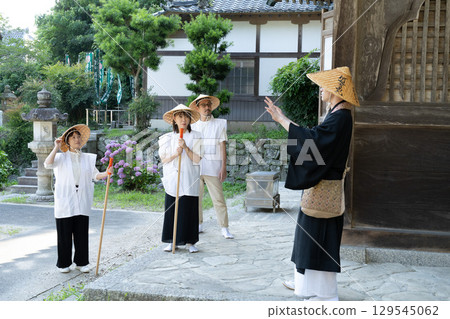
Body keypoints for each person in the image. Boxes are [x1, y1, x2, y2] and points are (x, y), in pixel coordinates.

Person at [264, 67, 359, 301]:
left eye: (323, 86)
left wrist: (282, 120)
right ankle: (305, 285)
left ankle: (324, 293)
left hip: (326, 189)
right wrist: (284, 120)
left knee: (319, 239)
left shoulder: (341, 117)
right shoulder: (338, 115)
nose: (320, 90)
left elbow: (314, 143)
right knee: (308, 237)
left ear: (336, 90)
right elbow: (314, 138)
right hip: (322, 186)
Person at [44, 124, 112, 273]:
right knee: (64, 234)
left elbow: (95, 175)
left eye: (78, 137)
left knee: (81, 232)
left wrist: (106, 173)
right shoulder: (61, 157)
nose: (77, 139)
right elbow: (47, 164)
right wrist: (56, 147)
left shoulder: (87, 159)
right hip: (65, 198)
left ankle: (81, 262)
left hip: (82, 197)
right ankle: (64, 264)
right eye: (73, 137)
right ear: (67, 141)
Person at [159, 104, 203, 253]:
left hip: (190, 177)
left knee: (189, 208)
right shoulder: (166, 138)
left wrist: (186, 148)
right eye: (180, 116)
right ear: (174, 119)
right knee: (172, 209)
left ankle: (191, 242)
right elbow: (164, 159)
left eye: (186, 116)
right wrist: (175, 154)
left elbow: (197, 159)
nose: (183, 119)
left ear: (190, 119)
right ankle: (172, 241)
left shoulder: (197, 136)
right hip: (173, 177)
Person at [189, 94, 234, 239]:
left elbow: (222, 147)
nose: (207, 108)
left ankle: (224, 227)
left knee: (218, 199)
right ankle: (198, 224)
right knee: (196, 198)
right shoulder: (193, 125)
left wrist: (223, 167)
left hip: (213, 166)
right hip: (196, 167)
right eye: (203, 105)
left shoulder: (220, 124)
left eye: (208, 105)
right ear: (197, 107)